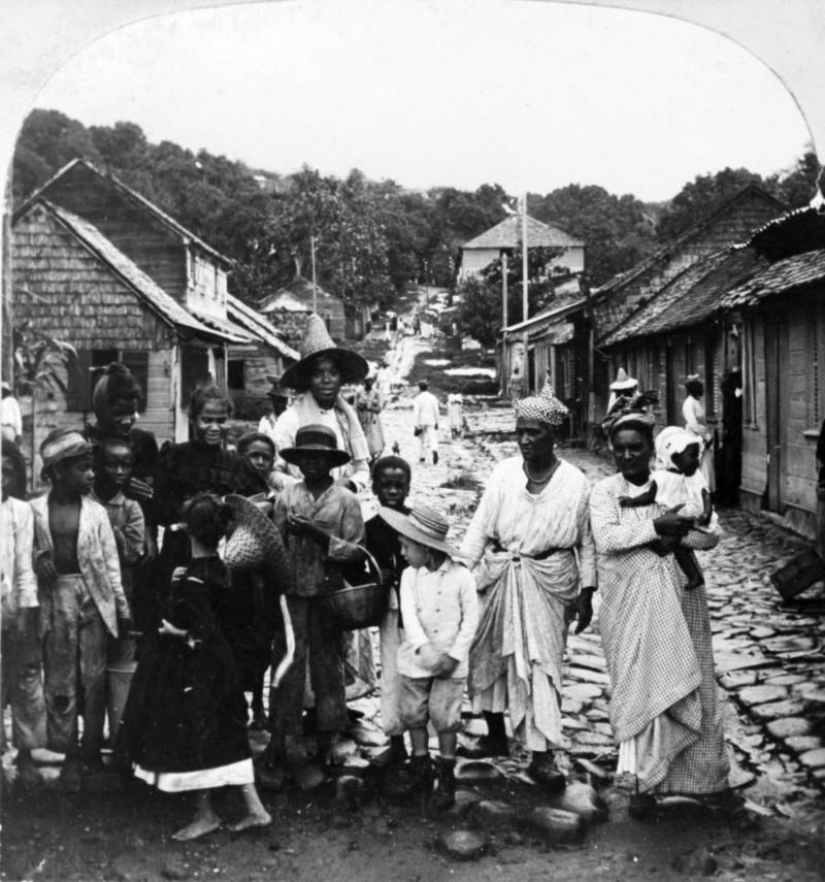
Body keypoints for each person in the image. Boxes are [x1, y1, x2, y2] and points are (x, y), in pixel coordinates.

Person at [589, 411, 734, 819]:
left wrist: (680, 524)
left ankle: (697, 781)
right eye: (620, 449)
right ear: (611, 452)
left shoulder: (671, 485)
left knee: (688, 686)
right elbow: (609, 538)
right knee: (639, 692)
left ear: (652, 450)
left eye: (636, 447)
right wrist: (659, 525)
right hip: (628, 606)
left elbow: (708, 536)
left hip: (680, 604)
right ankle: (640, 785)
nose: (628, 455)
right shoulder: (604, 493)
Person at [459, 393, 596, 791]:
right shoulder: (504, 474)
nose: (524, 440)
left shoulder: (575, 483)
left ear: (553, 435)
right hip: (500, 572)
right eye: (519, 432)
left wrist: (588, 592)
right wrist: (459, 575)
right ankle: (496, 733)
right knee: (487, 654)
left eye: (533, 433)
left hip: (549, 578)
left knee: (541, 664)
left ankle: (542, 754)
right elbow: (479, 528)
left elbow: (586, 543)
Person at [118, 493, 271, 840]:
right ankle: (256, 809)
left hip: (194, 668)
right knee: (228, 735)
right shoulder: (222, 570)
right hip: (224, 668)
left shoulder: (191, 578)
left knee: (192, 737)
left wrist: (170, 630)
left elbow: (201, 632)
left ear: (187, 531)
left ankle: (205, 814)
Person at [259, 425, 366, 785]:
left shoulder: (347, 501)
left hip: (328, 596)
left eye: (319, 457)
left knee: (328, 667)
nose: (312, 463)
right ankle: (280, 737)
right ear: (297, 461)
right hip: (292, 594)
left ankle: (327, 739)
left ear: (332, 462)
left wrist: (318, 534)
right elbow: (272, 546)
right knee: (287, 664)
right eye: (305, 457)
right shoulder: (287, 497)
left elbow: (354, 550)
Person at [31, 429, 131, 790]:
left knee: (93, 676)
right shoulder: (35, 512)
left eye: (92, 469)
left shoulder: (97, 513)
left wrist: (120, 607)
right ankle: (67, 749)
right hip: (54, 600)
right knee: (61, 676)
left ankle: (90, 748)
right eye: (83, 469)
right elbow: (20, 555)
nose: (92, 475)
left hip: (93, 599)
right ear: (58, 472)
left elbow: (110, 565)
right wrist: (37, 558)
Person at [380, 505, 478, 810]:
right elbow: (408, 614)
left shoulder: (462, 577)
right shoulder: (409, 576)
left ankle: (447, 774)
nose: (403, 552)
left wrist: (453, 655)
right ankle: (420, 765)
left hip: (451, 661)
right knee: (413, 713)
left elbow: (471, 620)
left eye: (407, 546)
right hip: (417, 657)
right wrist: (423, 647)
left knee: (446, 716)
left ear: (426, 547)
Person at [272, 314, 371, 493]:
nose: (326, 380)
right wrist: (308, 489)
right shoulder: (290, 420)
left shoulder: (346, 417)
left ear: (340, 378)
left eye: (333, 372)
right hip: (300, 506)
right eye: (318, 373)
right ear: (307, 379)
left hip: (342, 501)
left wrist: (349, 484)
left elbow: (362, 469)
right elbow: (274, 473)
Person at [90, 437, 145, 733]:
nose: (119, 471)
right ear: (98, 466)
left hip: (122, 595)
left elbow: (133, 554)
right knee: (90, 669)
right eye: (112, 464)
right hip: (88, 597)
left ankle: (120, 735)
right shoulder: (84, 502)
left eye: (126, 465)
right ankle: (91, 736)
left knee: (121, 663)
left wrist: (109, 529)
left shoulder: (131, 508)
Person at [617, 426, 714, 590]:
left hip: (692, 519)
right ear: (673, 457)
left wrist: (707, 512)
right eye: (692, 456)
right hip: (674, 520)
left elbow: (705, 494)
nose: (697, 460)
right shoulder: (661, 477)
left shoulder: (694, 476)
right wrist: (632, 501)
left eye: (698, 455)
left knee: (675, 542)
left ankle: (666, 552)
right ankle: (694, 575)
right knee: (678, 547)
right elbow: (649, 496)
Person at [1, 440, 46, 787]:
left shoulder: (21, 511)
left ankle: (27, 753)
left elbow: (24, 567)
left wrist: (23, 613)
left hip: (16, 612)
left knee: (26, 681)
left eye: (7, 471)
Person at [365, 455, 413, 765]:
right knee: (393, 673)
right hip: (389, 611)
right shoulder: (369, 527)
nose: (393, 491)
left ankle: (422, 743)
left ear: (408, 488)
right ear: (374, 487)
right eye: (386, 485)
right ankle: (396, 740)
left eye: (399, 485)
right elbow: (361, 565)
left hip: (419, 612)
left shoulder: (417, 523)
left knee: (419, 676)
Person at [85, 363, 160, 561]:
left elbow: (150, 495)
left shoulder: (144, 442)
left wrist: (149, 534)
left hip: (134, 530)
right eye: (119, 414)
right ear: (101, 409)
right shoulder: (85, 441)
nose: (127, 421)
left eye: (132, 413)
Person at [683, 375, 716, 493]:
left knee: (705, 464)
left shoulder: (695, 402)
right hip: (694, 437)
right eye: (700, 388)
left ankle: (705, 491)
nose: (702, 391)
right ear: (694, 390)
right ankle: (698, 492)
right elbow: (694, 424)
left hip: (701, 437)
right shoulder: (689, 403)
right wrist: (706, 437)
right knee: (699, 465)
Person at [237, 431, 279, 497]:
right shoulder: (229, 491)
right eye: (254, 455)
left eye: (266, 458)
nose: (260, 462)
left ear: (272, 463)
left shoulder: (275, 496)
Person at [355, 375, 386, 465]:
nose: (370, 383)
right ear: (364, 382)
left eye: (371, 382)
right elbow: (355, 407)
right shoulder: (359, 393)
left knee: (373, 440)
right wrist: (360, 408)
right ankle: (363, 457)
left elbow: (379, 409)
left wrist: (369, 408)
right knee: (362, 438)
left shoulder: (376, 393)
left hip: (373, 420)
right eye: (368, 381)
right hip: (361, 419)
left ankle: (372, 457)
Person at [412, 380, 440, 465]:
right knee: (432, 438)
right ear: (427, 388)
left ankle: (422, 457)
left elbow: (416, 413)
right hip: (431, 420)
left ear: (420, 388)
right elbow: (436, 411)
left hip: (421, 421)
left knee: (421, 440)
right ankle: (434, 450)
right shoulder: (433, 397)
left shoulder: (418, 398)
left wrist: (416, 425)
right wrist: (437, 421)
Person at [257, 376, 290, 446]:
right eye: (276, 400)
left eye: (282, 400)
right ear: (272, 400)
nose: (279, 404)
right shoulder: (265, 422)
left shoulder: (293, 421)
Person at [1, 380, 23, 445]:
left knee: (9, 448)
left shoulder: (12, 401)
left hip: (8, 428)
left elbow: (17, 417)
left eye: (3, 390)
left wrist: (18, 433)